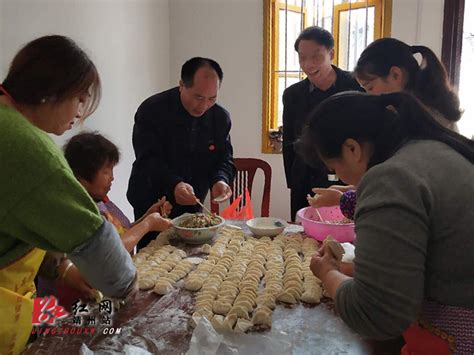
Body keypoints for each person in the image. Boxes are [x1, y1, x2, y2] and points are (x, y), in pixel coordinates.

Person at [298, 91, 474, 353]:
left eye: (334, 168)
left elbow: (377, 313)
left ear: (352, 149)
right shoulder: (432, 148)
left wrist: (328, 274)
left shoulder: (391, 177)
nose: (338, 176)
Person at [0, 35, 136, 354]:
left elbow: (19, 219)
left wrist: (63, 270)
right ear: (53, 93)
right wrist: (129, 286)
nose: (80, 114)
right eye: (80, 99)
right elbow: (104, 257)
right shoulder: (27, 147)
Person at [309, 38, 463, 214]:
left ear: (396, 75)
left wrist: (344, 199)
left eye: (370, 87)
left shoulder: (424, 121)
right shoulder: (421, 112)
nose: (370, 97)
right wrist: (354, 189)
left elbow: (399, 198)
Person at [38, 132, 172, 306]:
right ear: (82, 176)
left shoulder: (102, 201)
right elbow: (107, 253)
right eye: (106, 171)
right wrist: (147, 224)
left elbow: (117, 235)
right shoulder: (75, 211)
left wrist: (146, 216)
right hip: (69, 306)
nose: (112, 178)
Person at [127, 57, 236, 248]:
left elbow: (224, 158)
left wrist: (220, 179)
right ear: (181, 85)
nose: (203, 106)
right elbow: (147, 159)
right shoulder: (152, 110)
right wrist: (174, 184)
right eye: (198, 97)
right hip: (153, 201)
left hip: (192, 203)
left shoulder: (220, 118)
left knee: (191, 261)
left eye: (212, 98)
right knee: (152, 259)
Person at [282, 26, 362, 221]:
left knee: (345, 233)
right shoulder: (293, 95)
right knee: (303, 235)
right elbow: (289, 141)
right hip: (305, 177)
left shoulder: (356, 86)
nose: (308, 64)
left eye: (316, 57)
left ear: (331, 54)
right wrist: (293, 181)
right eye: (302, 57)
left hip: (345, 177)